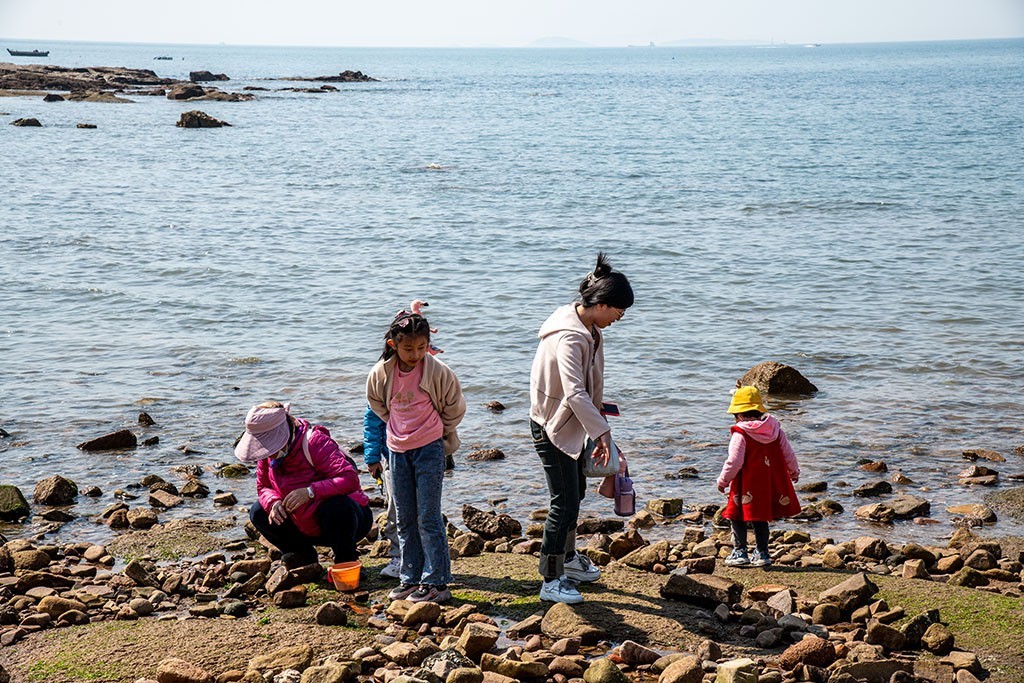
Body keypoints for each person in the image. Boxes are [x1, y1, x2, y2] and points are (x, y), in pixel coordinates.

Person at [529, 252, 634, 604]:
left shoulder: (588, 327)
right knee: (563, 502)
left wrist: (599, 421)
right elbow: (574, 391)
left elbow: (584, 389)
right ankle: (551, 579)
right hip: (552, 426)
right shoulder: (570, 337)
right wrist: (603, 433)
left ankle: (569, 561)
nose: (620, 317)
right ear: (602, 304)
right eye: (619, 311)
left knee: (575, 494)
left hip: (573, 422)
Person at [366, 310, 466, 603]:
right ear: (393, 344)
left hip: (429, 449)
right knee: (405, 517)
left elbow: (454, 405)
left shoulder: (436, 370)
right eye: (409, 348)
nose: (416, 354)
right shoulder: (382, 373)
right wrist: (397, 429)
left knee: (429, 516)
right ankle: (410, 578)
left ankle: (437, 582)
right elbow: (377, 405)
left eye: (421, 348)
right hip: (397, 450)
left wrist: (436, 430)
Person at [237, 401, 372, 568]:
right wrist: (273, 502)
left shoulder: (314, 442)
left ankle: (346, 561)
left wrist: (310, 492)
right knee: (258, 512)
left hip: (347, 521)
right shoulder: (266, 454)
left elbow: (349, 479)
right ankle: (303, 556)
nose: (267, 453)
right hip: (302, 521)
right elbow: (263, 487)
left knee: (336, 506)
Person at [716, 384, 801, 568]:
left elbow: (734, 461)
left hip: (744, 484)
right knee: (760, 517)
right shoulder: (775, 430)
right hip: (767, 484)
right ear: (759, 410)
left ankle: (740, 552)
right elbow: (789, 454)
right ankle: (762, 553)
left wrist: (723, 480)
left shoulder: (740, 433)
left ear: (738, 414)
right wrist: (794, 471)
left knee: (736, 515)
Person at [363, 404, 402, 579]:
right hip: (391, 457)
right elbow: (371, 421)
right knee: (395, 512)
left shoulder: (425, 378)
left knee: (424, 512)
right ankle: (398, 558)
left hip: (423, 454)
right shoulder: (381, 380)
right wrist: (372, 458)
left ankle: (426, 559)